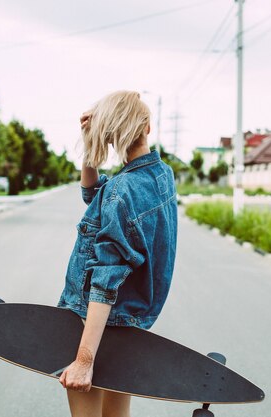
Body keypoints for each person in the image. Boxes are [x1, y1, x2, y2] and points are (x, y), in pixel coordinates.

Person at [57, 91, 178, 417]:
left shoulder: (122, 191)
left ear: (112, 135)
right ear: (148, 127)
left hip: (95, 327)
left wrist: (84, 361)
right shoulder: (161, 176)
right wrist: (88, 144)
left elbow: (105, 279)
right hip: (128, 325)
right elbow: (92, 193)